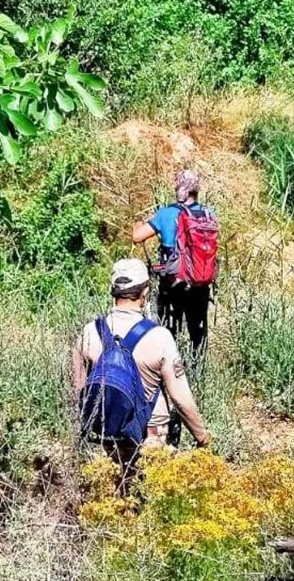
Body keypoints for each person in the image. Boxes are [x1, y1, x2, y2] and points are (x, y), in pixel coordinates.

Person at [70, 258, 211, 466]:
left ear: (113, 291)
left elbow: (78, 392)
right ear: (144, 294)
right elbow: (180, 399)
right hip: (151, 436)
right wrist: (203, 438)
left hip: (108, 436)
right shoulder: (159, 337)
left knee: (118, 491)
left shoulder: (89, 332)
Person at [131, 169, 215, 361]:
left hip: (173, 284)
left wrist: (139, 222)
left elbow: (137, 237)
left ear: (178, 188)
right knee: (198, 333)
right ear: (197, 190)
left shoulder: (166, 214)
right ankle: (198, 371)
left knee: (169, 333)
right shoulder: (208, 214)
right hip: (200, 283)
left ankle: (170, 373)